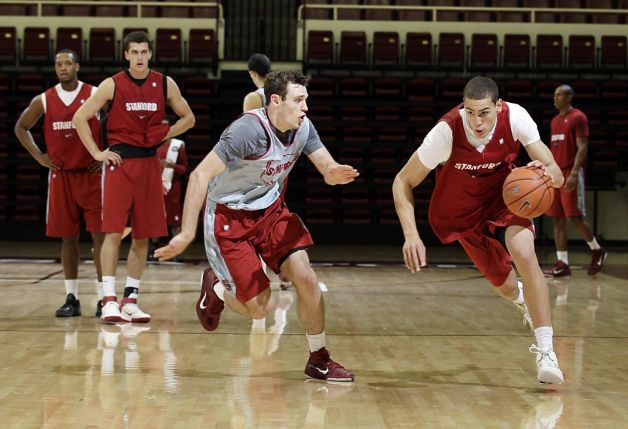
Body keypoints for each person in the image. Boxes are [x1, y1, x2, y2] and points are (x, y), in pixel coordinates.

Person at [155, 70, 358, 382]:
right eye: (299, 100)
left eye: (307, 100)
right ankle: (216, 289)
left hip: (270, 210)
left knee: (306, 277)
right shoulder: (247, 132)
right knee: (260, 308)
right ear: (275, 101)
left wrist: (334, 173)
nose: (306, 107)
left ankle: (319, 358)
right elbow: (198, 176)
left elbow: (326, 166)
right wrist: (185, 234)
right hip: (229, 217)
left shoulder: (303, 127)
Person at [392, 76, 564, 384]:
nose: (477, 120)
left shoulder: (516, 118)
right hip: (462, 214)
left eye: (484, 112)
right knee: (507, 287)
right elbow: (402, 181)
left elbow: (556, 173)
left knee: (525, 253)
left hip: (505, 199)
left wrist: (547, 174)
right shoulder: (446, 133)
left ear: (498, 106)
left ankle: (547, 351)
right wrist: (411, 234)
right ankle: (521, 299)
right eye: (470, 112)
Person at [73, 31, 195, 323]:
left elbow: (189, 118)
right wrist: (97, 153)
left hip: (149, 164)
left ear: (150, 54)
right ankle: (108, 300)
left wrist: (165, 133)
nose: (139, 57)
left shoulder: (164, 83)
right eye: (134, 52)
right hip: (119, 164)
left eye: (144, 52)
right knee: (113, 233)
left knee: (143, 237)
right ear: (126, 55)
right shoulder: (111, 85)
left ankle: (130, 299)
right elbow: (79, 118)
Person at [14, 49, 105, 318]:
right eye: (58, 64)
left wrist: (104, 152)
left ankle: (105, 298)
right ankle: (72, 297)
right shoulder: (44, 99)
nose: (62, 67)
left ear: (77, 66)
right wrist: (39, 156)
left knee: (100, 237)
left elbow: (120, 123)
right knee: (68, 238)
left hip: (91, 174)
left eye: (67, 63)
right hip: (62, 176)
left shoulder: (95, 93)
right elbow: (21, 127)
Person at [546, 84, 606, 277]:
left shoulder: (578, 117)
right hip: (556, 173)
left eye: (560, 95)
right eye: (554, 95)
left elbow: (583, 147)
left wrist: (573, 173)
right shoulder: (555, 121)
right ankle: (563, 262)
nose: (555, 98)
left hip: (571, 171)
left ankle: (597, 249)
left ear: (569, 97)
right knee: (557, 219)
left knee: (574, 216)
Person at [243, 53, 292, 290]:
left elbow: (247, 135)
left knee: (254, 221)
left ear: (252, 73)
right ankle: (283, 271)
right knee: (274, 216)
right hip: (281, 164)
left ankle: (259, 274)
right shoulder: (283, 97)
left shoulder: (253, 97)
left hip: (259, 166)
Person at [149, 123, 188, 260]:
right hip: (154, 187)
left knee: (174, 220)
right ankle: (154, 249)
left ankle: (177, 252)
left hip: (173, 187)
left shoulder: (177, 145)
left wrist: (171, 166)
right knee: (155, 218)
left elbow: (184, 169)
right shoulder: (151, 144)